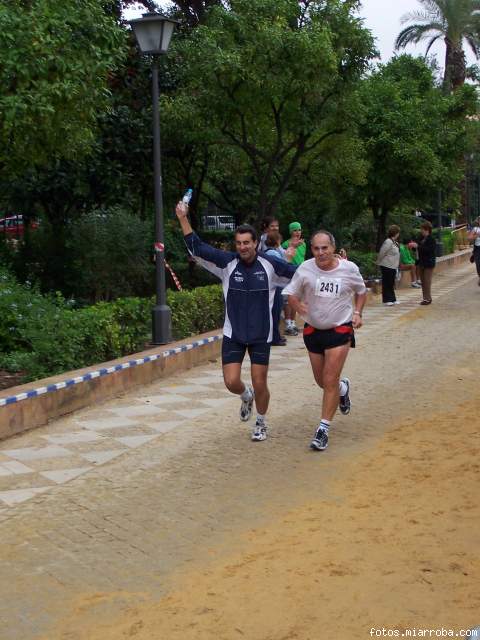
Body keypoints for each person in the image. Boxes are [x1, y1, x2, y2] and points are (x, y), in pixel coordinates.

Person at [175, 200, 296, 441]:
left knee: (260, 382)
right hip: (234, 333)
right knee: (231, 382)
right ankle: (245, 395)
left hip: (261, 333)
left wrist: (333, 266)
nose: (242, 247)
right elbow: (197, 247)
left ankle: (261, 422)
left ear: (255, 243)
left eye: (247, 243)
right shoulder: (227, 264)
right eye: (239, 243)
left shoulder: (270, 265)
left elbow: (301, 274)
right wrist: (182, 217)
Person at [283, 230, 367, 452]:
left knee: (329, 379)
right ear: (311, 249)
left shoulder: (349, 269)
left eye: (325, 248)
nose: (321, 253)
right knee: (323, 382)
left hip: (340, 329)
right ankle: (342, 389)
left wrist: (357, 312)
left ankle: (322, 430)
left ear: (333, 247)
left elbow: (361, 291)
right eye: (316, 248)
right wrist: (297, 305)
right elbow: (291, 292)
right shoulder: (305, 268)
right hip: (313, 330)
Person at [264, 231, 295, 346]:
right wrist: (288, 260)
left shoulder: (268, 252)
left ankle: (275, 336)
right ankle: (274, 338)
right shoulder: (274, 254)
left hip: (273, 286)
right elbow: (282, 268)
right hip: (275, 287)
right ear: (277, 241)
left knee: (275, 312)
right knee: (275, 312)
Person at [282, 221, 306, 335]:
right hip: (289, 273)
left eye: (299, 230)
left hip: (300, 273)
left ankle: (293, 322)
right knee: (288, 299)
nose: (297, 232)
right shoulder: (286, 244)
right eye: (295, 230)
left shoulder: (304, 244)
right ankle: (288, 324)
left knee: (297, 299)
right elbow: (284, 259)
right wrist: (293, 246)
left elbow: (302, 258)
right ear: (291, 232)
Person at [376, 225, 401, 306]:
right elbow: (382, 253)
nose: (399, 234)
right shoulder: (388, 242)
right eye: (398, 232)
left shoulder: (395, 243)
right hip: (387, 265)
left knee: (391, 283)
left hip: (393, 266)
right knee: (387, 283)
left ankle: (392, 299)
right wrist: (378, 262)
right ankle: (386, 300)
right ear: (395, 233)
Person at [416, 220, 436, 305]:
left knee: (427, 281)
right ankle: (425, 298)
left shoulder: (431, 239)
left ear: (427, 229)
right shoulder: (421, 238)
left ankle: (428, 298)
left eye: (422, 229)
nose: (421, 231)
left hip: (429, 263)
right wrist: (414, 246)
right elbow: (418, 248)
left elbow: (429, 250)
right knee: (423, 281)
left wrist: (418, 247)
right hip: (421, 262)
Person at [467, 217, 480, 286]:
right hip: (477, 249)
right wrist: (477, 235)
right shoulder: (475, 229)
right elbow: (469, 238)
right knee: (478, 265)